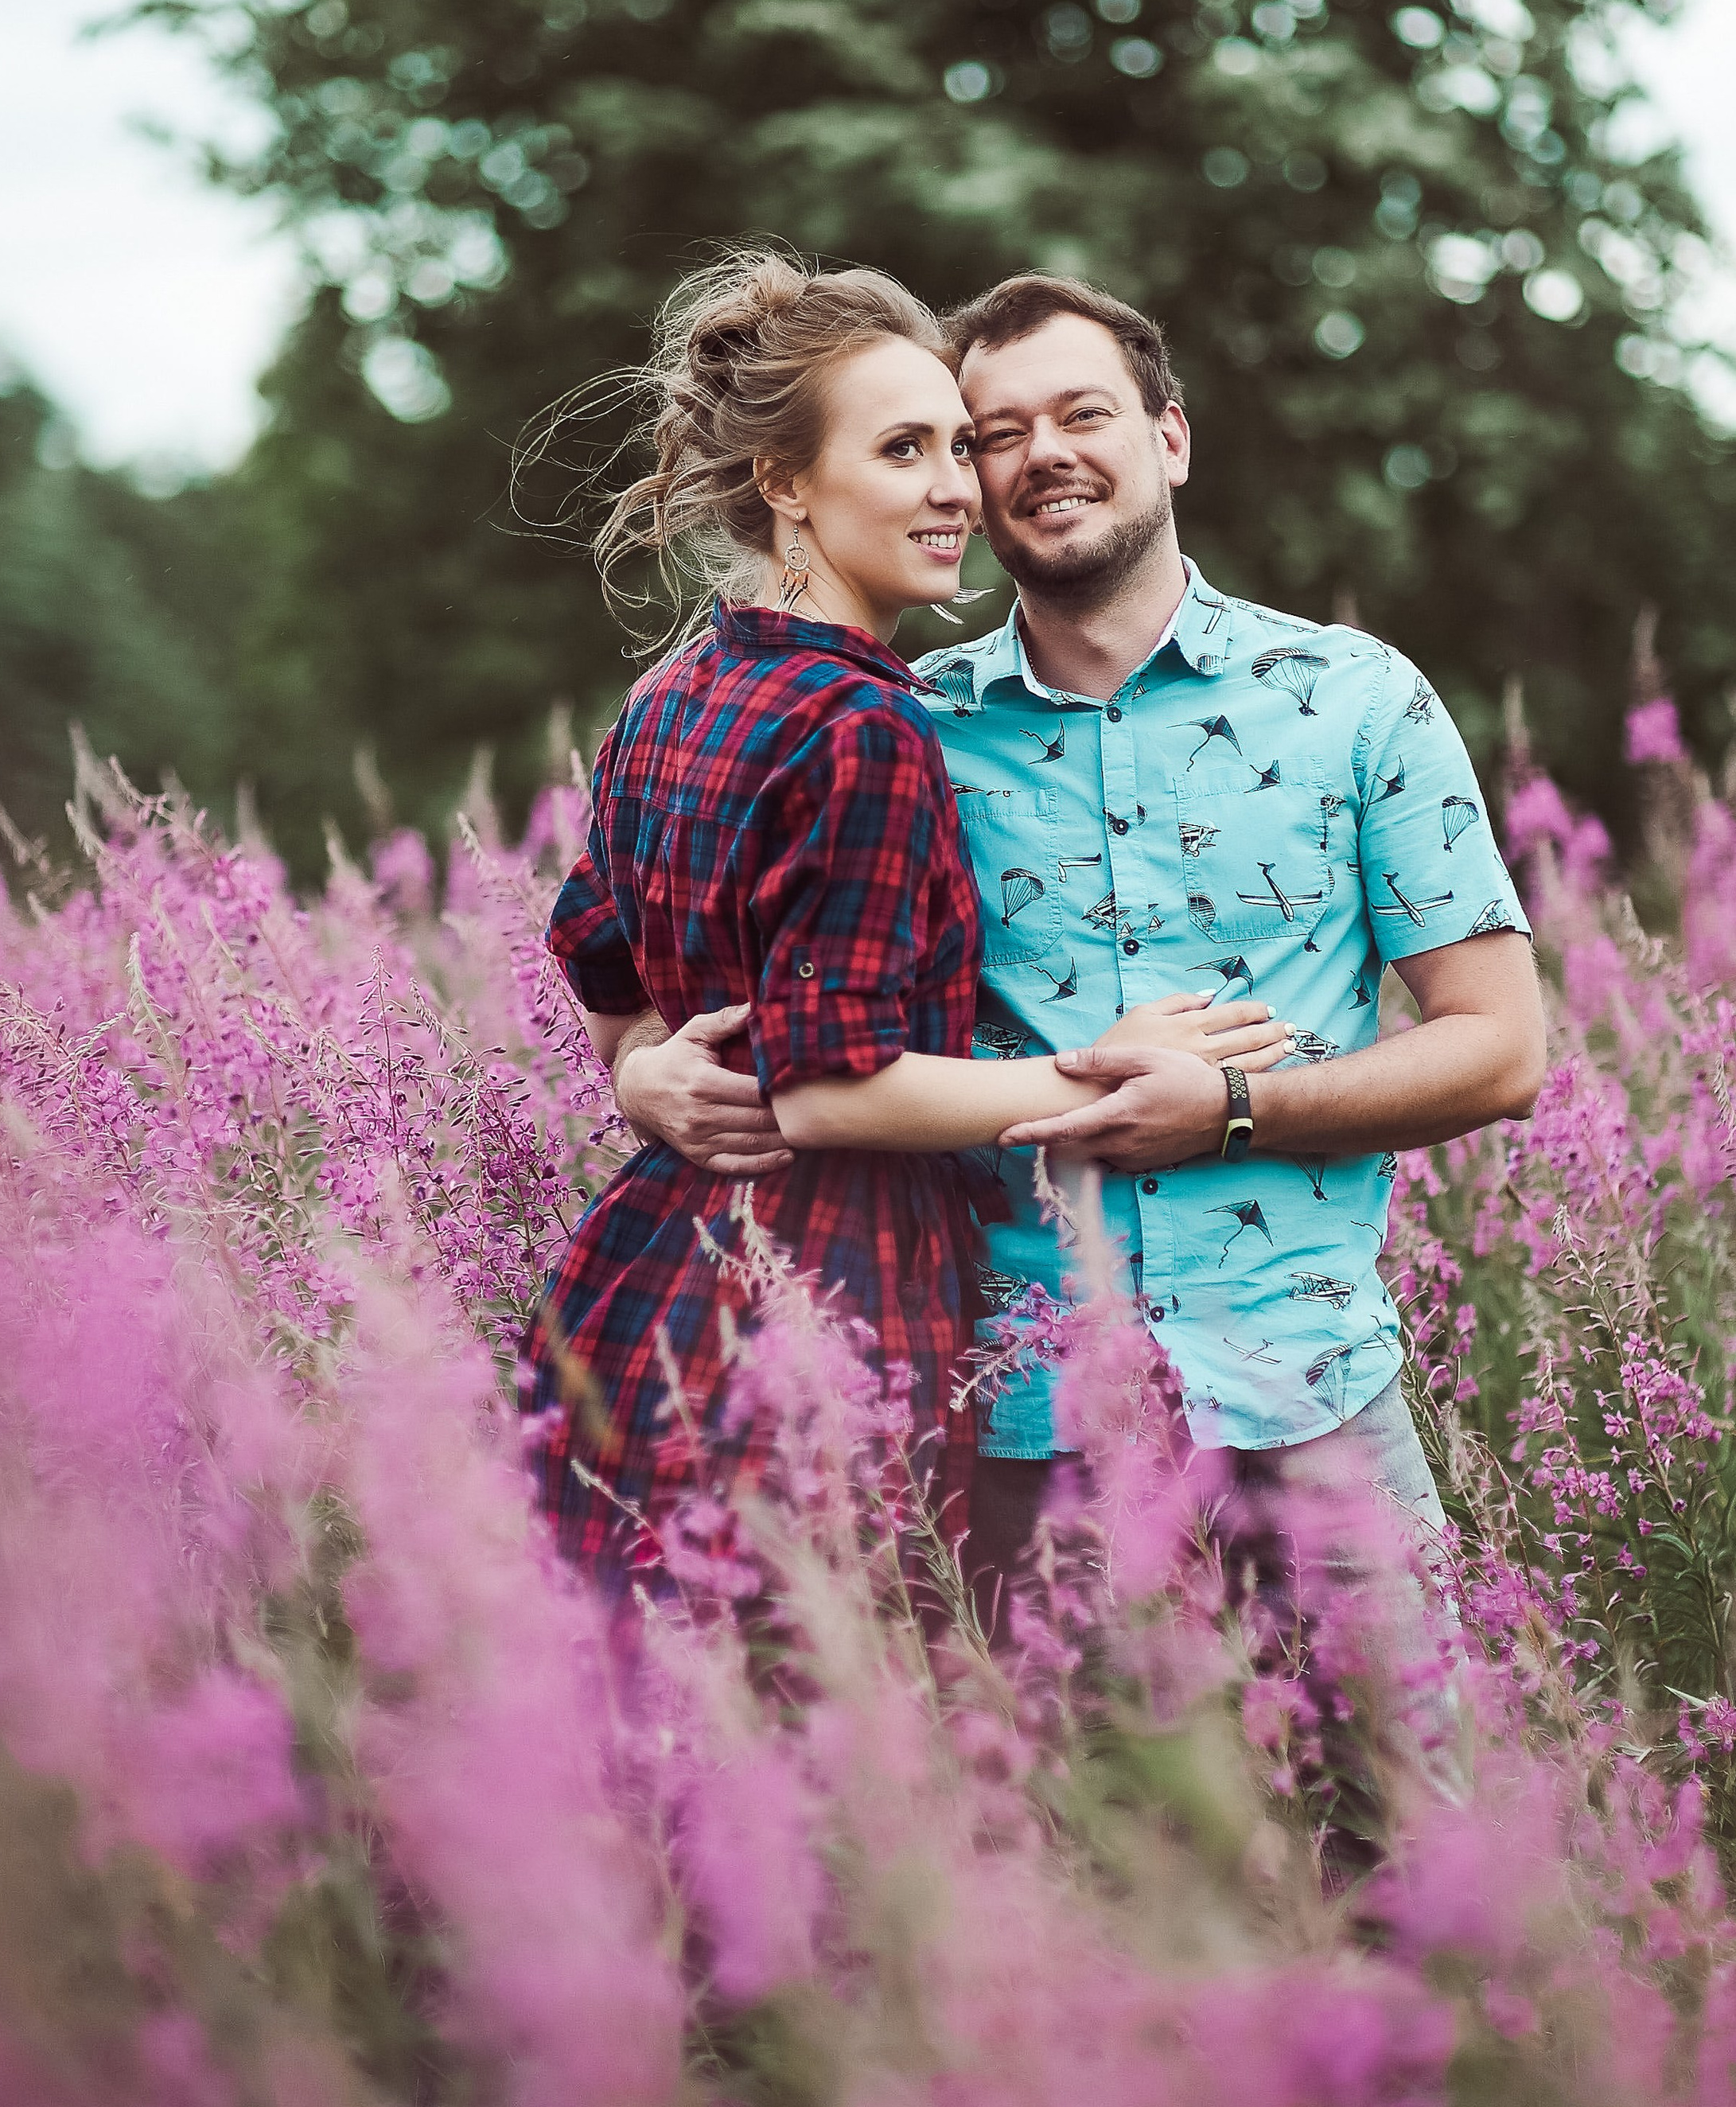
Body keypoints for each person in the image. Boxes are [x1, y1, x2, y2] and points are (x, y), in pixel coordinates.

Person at [617, 271, 1547, 1642]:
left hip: (1309, 1391)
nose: (1042, 452)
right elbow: (686, 977)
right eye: (993, 433)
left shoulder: (1356, 700)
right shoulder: (899, 728)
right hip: (1017, 1422)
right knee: (1075, 1847)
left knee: (1414, 1835)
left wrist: (1232, 1109)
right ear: (964, 480)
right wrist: (644, 1075)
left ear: (1168, 438)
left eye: (1084, 413)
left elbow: (1501, 1046)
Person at [520, 253, 1288, 1592]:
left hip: (641, 1286)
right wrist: (1098, 1070)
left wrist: (651, 1081)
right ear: (785, 483)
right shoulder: (866, 723)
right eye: (902, 450)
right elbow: (827, 1094)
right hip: (818, 1309)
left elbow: (600, 978)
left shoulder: (673, 692)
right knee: (838, 1757)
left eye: (957, 446)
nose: (957, 491)